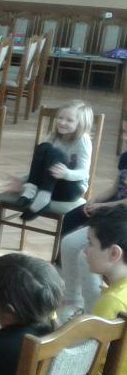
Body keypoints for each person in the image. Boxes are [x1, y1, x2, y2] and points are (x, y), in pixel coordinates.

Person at [57, 121, 127, 319]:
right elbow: (114, 188)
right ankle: (73, 300)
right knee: (70, 242)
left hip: (121, 220)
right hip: (114, 215)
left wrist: (103, 207)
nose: (124, 138)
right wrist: (95, 199)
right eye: (124, 132)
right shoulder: (125, 157)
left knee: (84, 256)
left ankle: (93, 312)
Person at [5, 100, 93, 220]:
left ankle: (43, 198)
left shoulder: (83, 139)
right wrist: (23, 181)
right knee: (43, 147)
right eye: (60, 118)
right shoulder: (53, 135)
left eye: (69, 120)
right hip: (48, 186)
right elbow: (40, 166)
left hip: (70, 189)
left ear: (81, 124)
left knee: (55, 153)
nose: (62, 122)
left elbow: (83, 173)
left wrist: (66, 173)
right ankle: (31, 190)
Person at [80, 205, 127, 375]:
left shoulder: (112, 301)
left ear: (114, 253)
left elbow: (88, 358)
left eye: (90, 243)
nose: (85, 250)